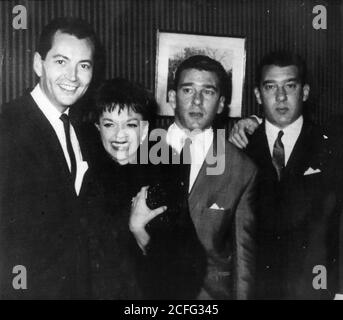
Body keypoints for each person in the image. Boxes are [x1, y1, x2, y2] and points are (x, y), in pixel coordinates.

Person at [132, 55, 258, 299]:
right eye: (187, 90)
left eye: (208, 92)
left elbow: (244, 261)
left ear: (221, 104)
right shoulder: (139, 151)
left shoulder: (242, 169)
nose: (197, 101)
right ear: (171, 98)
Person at [0, 17, 100, 299]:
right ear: (37, 64)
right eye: (60, 61)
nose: (73, 77)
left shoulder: (84, 132)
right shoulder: (7, 125)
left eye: (84, 65)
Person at [83, 78, 206, 299]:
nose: (118, 135)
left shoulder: (165, 175)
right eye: (109, 124)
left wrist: (140, 231)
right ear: (97, 128)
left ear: (144, 129)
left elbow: (187, 273)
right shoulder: (89, 174)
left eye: (130, 124)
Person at [230, 51, 338, 299]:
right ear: (258, 94)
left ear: (305, 92)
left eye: (290, 85)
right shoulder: (239, 147)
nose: (280, 97)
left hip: (314, 290)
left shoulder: (331, 147)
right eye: (270, 87)